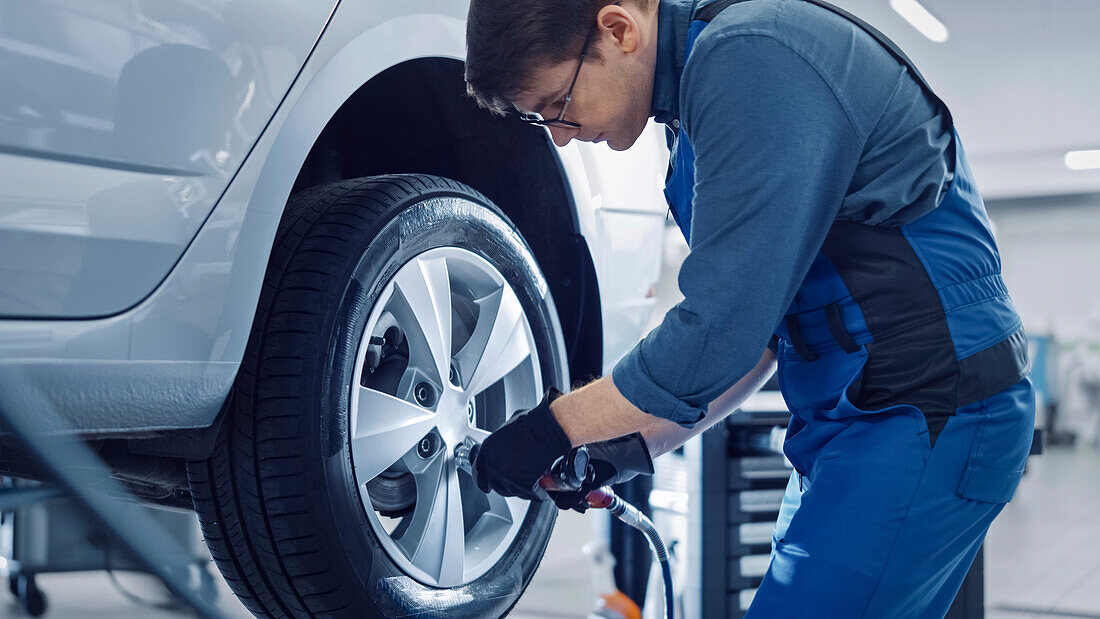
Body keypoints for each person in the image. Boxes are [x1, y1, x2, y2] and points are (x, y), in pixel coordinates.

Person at [463, 0, 1035, 615]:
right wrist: (623, 447)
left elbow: (716, 332)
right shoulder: (689, 117)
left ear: (619, 29)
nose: (558, 135)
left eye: (557, 104)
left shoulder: (750, 59)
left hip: (929, 407)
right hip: (858, 418)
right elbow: (757, 339)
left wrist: (552, 425)